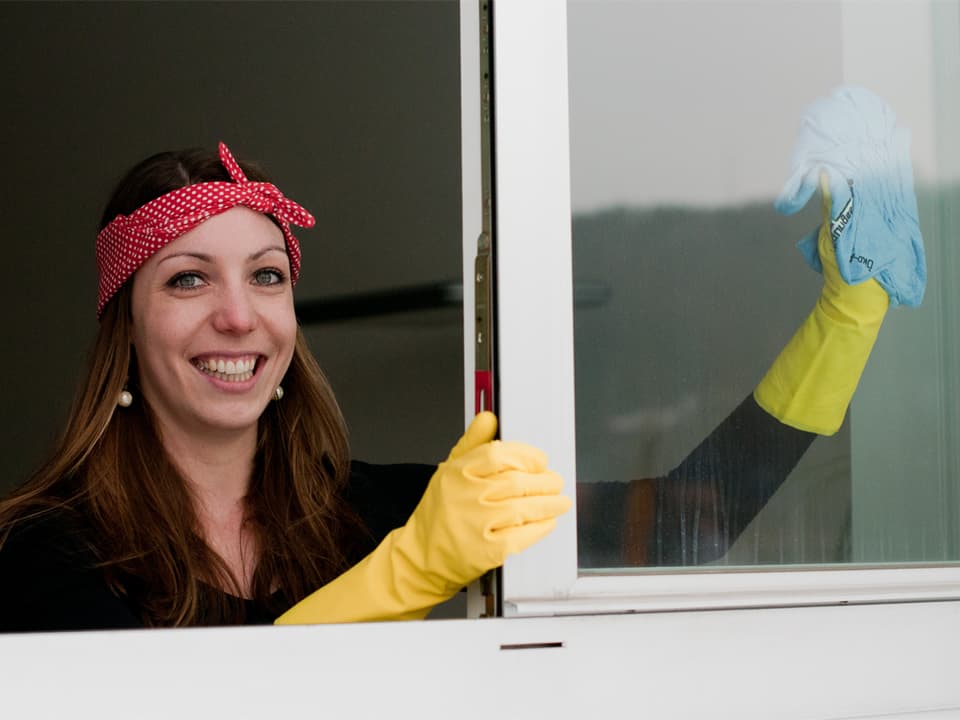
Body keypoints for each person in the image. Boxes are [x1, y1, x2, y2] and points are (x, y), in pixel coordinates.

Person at [0, 142, 571, 632]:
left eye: (266, 275)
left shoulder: (370, 512)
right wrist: (403, 575)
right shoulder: (41, 551)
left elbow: (626, 524)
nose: (239, 317)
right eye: (189, 279)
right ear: (125, 327)